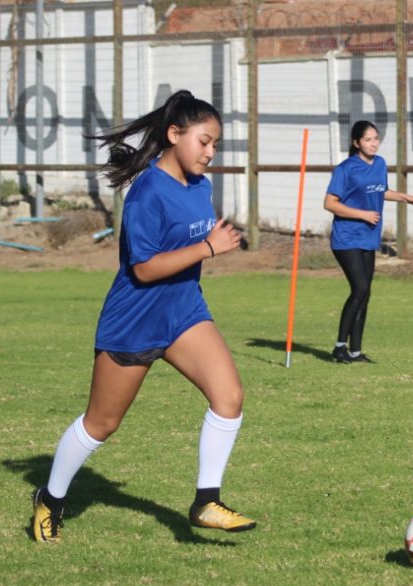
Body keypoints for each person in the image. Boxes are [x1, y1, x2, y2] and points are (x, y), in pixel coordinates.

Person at [30, 90, 256, 543]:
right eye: (204, 142)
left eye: (216, 145)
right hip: (133, 322)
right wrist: (209, 247)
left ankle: (205, 501)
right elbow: (144, 268)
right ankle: (49, 499)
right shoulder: (146, 194)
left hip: (185, 313)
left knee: (229, 397)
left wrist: (207, 239)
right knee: (101, 424)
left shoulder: (201, 186)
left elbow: (187, 241)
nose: (211, 153)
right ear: (175, 135)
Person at [323, 120, 413, 363]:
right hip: (346, 238)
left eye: (376, 138)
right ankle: (339, 347)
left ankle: (355, 351)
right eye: (368, 139)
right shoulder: (345, 168)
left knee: (365, 293)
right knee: (360, 289)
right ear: (356, 143)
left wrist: (404, 197)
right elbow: (330, 203)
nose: (373, 143)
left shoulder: (380, 164)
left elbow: (379, 191)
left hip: (368, 237)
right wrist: (362, 214)